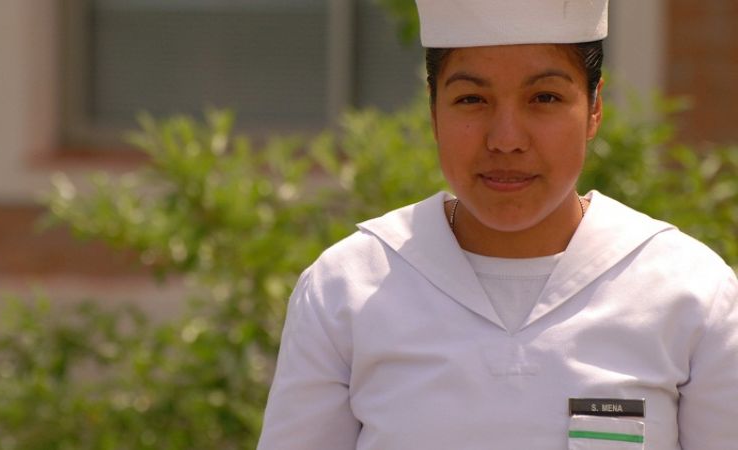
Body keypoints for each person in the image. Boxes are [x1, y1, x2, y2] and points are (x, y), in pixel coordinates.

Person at [257, 1, 738, 448]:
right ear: (433, 110)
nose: (506, 139)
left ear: (594, 107)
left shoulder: (689, 292)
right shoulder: (345, 289)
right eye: (472, 100)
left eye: (544, 97)